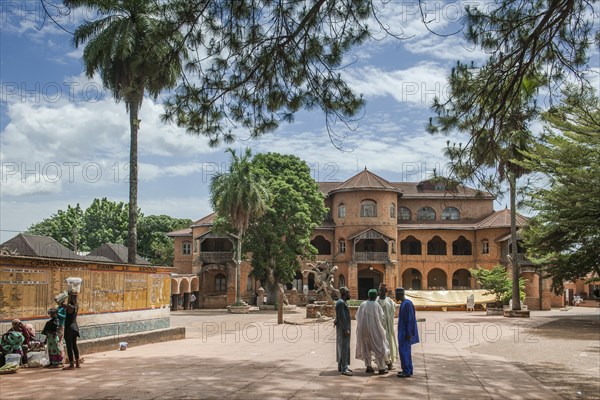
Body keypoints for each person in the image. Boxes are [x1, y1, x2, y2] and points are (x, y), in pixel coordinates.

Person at [355, 289, 389, 375]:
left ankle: (368, 366)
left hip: (363, 330)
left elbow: (357, 316)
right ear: (375, 296)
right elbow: (381, 318)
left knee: (366, 348)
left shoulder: (362, 304)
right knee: (379, 347)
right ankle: (381, 368)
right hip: (374, 330)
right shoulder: (376, 305)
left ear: (368, 296)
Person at [395, 287, 419, 378]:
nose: (395, 296)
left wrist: (409, 333)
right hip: (402, 332)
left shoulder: (407, 304)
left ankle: (407, 371)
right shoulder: (404, 304)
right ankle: (407, 369)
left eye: (396, 294)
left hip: (405, 333)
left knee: (404, 351)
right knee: (404, 352)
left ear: (400, 294)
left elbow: (409, 319)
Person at [376, 283, 398, 370]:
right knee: (379, 345)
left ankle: (389, 362)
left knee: (388, 344)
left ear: (385, 291)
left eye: (383, 290)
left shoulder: (389, 301)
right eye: (380, 290)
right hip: (379, 327)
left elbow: (394, 309)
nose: (381, 292)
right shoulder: (376, 301)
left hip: (388, 327)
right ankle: (381, 363)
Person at [334, 286, 352, 376]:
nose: (350, 295)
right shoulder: (341, 303)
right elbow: (342, 317)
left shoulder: (342, 302)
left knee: (343, 347)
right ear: (345, 294)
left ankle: (342, 366)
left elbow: (338, 316)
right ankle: (344, 368)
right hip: (343, 329)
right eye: (349, 293)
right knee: (344, 347)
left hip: (343, 328)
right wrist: (346, 329)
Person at [63, 291, 81, 369]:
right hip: (75, 327)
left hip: (69, 328)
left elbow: (59, 303)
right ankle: (77, 363)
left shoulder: (70, 306)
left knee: (69, 346)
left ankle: (71, 364)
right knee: (74, 345)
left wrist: (61, 298)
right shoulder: (76, 305)